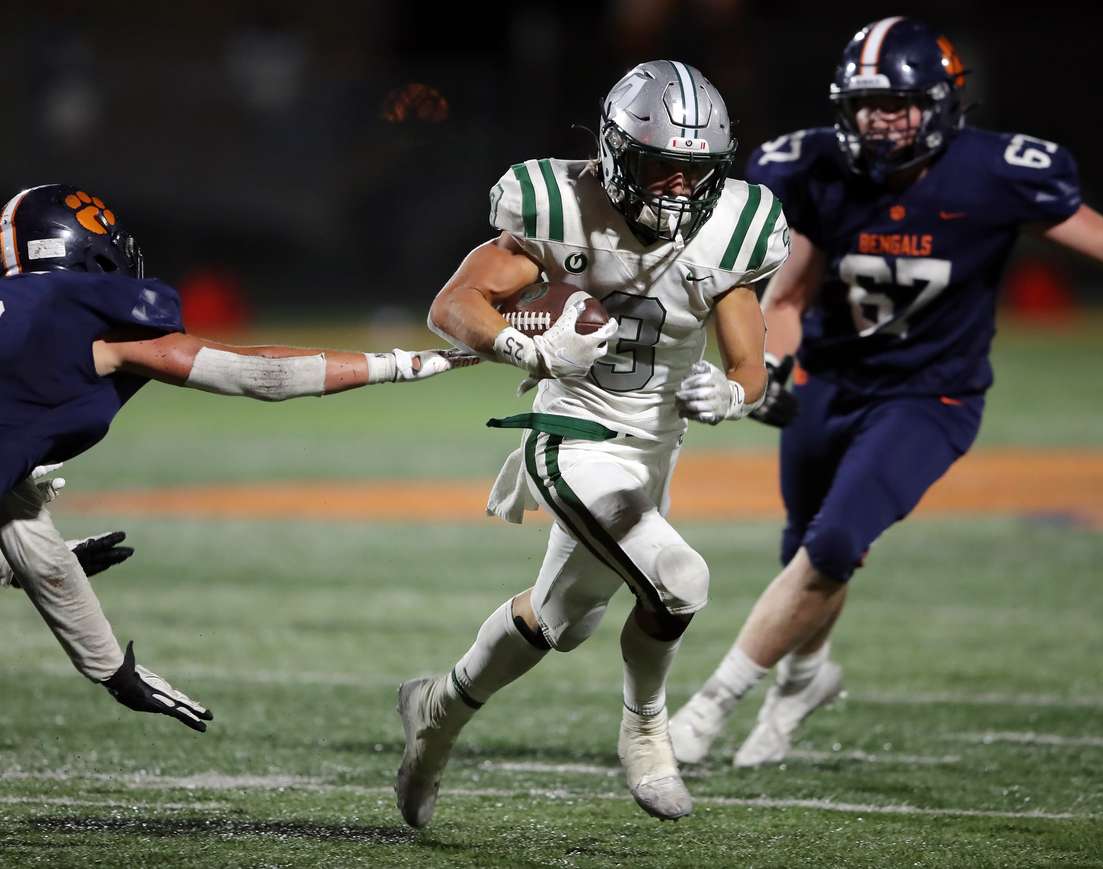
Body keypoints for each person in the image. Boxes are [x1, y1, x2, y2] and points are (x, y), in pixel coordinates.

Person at [669, 16, 1103, 768]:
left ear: (942, 104)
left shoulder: (997, 171)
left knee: (834, 542)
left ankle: (711, 705)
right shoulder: (814, 167)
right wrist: (777, 368)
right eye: (865, 106)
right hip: (831, 380)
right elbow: (788, 293)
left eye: (897, 105)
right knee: (807, 546)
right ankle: (803, 680)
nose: (879, 122)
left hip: (931, 395)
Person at [394, 59, 788, 826]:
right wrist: (530, 349)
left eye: (694, 170)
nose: (679, 187)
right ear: (615, 153)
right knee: (680, 578)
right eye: (661, 166)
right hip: (572, 434)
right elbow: (454, 304)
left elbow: (750, 366)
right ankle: (646, 731)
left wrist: (734, 394)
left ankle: (434, 713)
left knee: (557, 621)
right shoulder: (561, 205)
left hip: (652, 450)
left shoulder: (734, 227)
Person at [1, 183, 471, 733]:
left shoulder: (24, 324)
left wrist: (101, 657)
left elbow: (20, 521)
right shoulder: (75, 313)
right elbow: (258, 373)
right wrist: (400, 365)